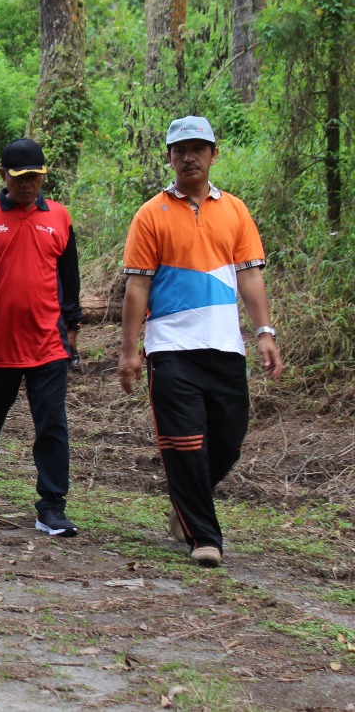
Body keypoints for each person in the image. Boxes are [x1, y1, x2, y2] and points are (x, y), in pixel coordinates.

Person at [118, 116, 282, 568]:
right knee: (186, 443)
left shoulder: (235, 210)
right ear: (169, 157)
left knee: (228, 440)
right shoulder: (151, 214)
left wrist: (264, 332)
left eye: (198, 148)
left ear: (214, 154)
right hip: (170, 348)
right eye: (179, 150)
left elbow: (250, 275)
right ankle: (204, 537)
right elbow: (137, 287)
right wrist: (131, 350)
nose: (189, 157)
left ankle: (187, 503)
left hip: (225, 346)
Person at [0, 138, 83, 537]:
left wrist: (73, 327)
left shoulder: (59, 217)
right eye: (22, 177)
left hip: (48, 344)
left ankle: (52, 507)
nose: (30, 185)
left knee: (52, 425)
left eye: (37, 177)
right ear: (3, 174)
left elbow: (69, 281)